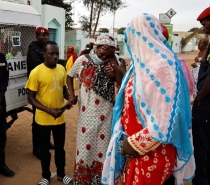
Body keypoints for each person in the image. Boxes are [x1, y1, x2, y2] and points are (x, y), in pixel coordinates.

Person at [102, 13, 195, 185]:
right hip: (130, 146)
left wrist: (133, 143)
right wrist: (123, 145)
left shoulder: (163, 66)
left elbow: (166, 119)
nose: (129, 42)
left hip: (152, 152)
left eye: (130, 36)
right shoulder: (137, 66)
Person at [67, 34, 123, 184]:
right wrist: (72, 95)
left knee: (103, 150)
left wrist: (112, 60)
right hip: (86, 115)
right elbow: (69, 76)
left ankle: (100, 180)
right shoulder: (83, 60)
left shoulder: (115, 63)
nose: (105, 53)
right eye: (103, 49)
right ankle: (83, 179)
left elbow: (121, 82)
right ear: (96, 47)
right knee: (85, 149)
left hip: (106, 115)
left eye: (110, 50)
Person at [25, 41, 73, 185]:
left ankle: (61, 174)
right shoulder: (36, 72)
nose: (55, 56)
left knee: (60, 149)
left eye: (57, 53)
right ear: (44, 54)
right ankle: (46, 176)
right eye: (51, 53)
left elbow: (63, 88)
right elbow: (31, 98)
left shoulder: (61, 69)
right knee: (44, 150)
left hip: (60, 119)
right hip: (43, 119)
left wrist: (69, 97)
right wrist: (49, 111)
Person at [27, 27, 55, 160]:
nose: (44, 38)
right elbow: (39, 66)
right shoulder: (33, 49)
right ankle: (36, 148)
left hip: (46, 88)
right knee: (38, 119)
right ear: (37, 36)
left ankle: (46, 142)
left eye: (46, 36)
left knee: (48, 116)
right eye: (42, 36)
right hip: (37, 89)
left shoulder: (44, 48)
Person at [192, 7, 210, 185]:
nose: (204, 27)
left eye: (205, 23)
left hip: (205, 104)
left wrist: (199, 98)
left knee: (202, 146)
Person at [0, 52, 15, 177]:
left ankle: (2, 165)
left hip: (0, 103)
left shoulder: (1, 58)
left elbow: (5, 77)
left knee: (1, 134)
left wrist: (0, 96)